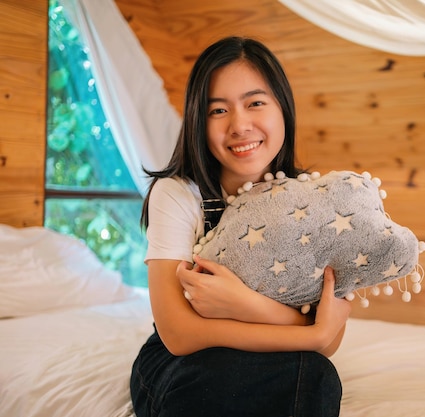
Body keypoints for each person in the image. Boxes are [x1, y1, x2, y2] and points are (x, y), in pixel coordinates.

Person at [130, 36, 352, 417]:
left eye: (255, 103)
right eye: (218, 110)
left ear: (283, 108)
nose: (239, 125)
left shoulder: (316, 201)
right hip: (184, 363)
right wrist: (308, 329)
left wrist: (244, 303)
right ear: (199, 120)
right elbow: (179, 334)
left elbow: (328, 341)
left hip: (277, 362)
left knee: (315, 374)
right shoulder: (179, 194)